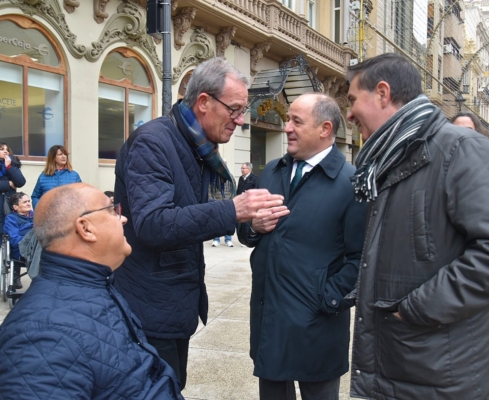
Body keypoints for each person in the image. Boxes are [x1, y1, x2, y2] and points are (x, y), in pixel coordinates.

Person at [113, 57, 286, 390]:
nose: (240, 120)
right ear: (204, 102)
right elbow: (153, 223)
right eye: (234, 109)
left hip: (172, 305)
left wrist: (249, 220)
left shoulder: (197, 146)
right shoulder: (153, 142)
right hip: (149, 308)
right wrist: (231, 210)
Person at [346, 53, 489, 399]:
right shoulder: (386, 161)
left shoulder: (462, 150)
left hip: (440, 376)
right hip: (399, 367)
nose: (349, 113)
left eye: (353, 100)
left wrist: (413, 308)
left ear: (382, 93)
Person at [0, 183, 183, 400]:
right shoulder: (41, 337)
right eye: (113, 211)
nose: (123, 219)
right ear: (85, 228)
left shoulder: (96, 285)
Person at [238, 93, 367, 400]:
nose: (287, 128)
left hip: (317, 331)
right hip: (269, 324)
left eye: (296, 121)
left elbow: (361, 259)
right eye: (287, 120)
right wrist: (252, 227)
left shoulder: (352, 182)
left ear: (325, 129)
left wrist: (326, 299)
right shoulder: (272, 171)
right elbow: (245, 230)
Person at [4, 192, 34, 289]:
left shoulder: (36, 215)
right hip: (21, 250)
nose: (28, 203)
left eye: (29, 201)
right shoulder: (11, 219)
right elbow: (14, 240)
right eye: (25, 202)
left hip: (38, 248)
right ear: (15, 207)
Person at [0, 142, 26, 234]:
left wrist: (9, 167)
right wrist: (8, 183)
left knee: (10, 231)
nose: (5, 152)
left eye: (7, 150)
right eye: (2, 149)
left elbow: (21, 182)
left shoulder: (13, 164)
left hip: (9, 204)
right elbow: (10, 184)